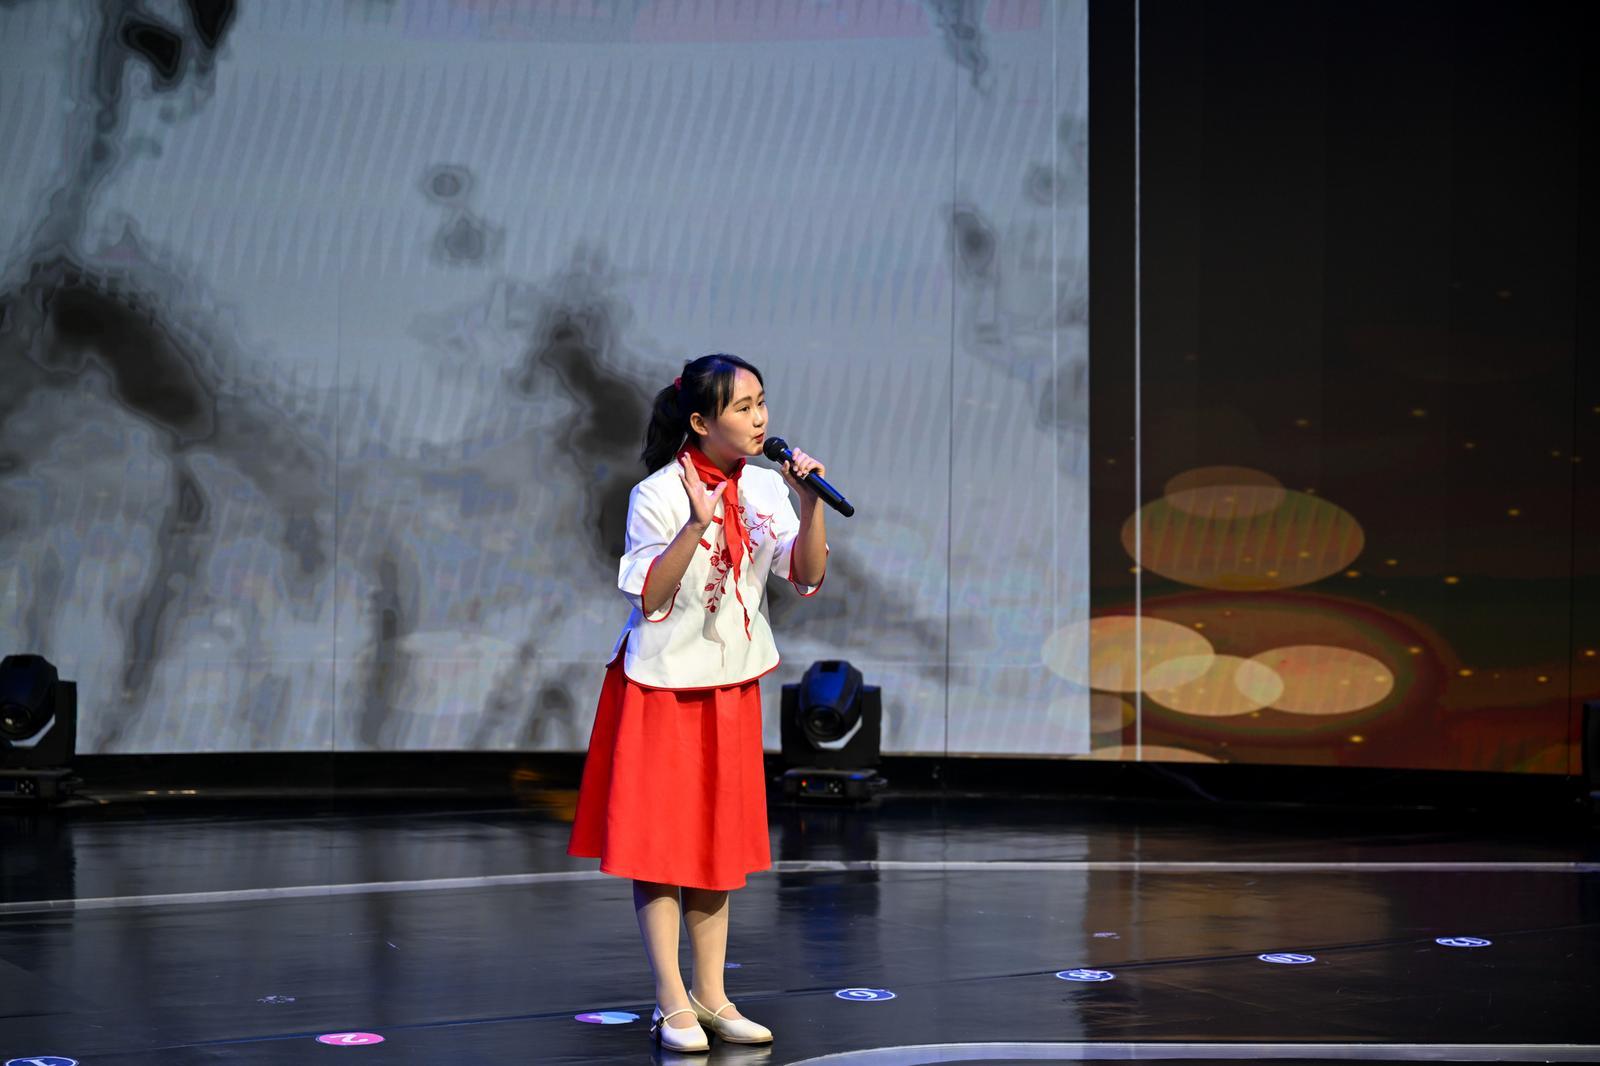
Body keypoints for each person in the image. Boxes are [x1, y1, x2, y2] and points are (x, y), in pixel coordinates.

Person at [566, 352, 831, 1053]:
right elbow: (650, 601)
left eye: (761, 403)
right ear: (700, 421)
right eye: (743, 407)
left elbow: (806, 577)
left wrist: (809, 505)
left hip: (729, 683)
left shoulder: (767, 488)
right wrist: (696, 524)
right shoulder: (657, 494)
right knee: (659, 847)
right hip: (659, 687)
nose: (760, 418)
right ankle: (671, 1000)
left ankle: (712, 995)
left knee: (716, 843)